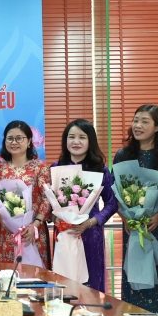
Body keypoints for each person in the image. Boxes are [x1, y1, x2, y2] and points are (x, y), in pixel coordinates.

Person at [114, 104, 158, 316]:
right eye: (135, 120)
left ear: (157, 127)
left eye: (145, 121)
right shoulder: (123, 155)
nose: (138, 125)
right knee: (135, 275)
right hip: (134, 228)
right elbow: (114, 192)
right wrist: (127, 218)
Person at [52, 120, 118, 293]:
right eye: (71, 137)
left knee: (91, 287)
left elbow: (112, 203)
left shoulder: (101, 170)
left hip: (90, 234)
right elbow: (49, 203)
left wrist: (90, 222)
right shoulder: (56, 168)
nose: (76, 141)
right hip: (64, 233)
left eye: (82, 137)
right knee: (63, 285)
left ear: (90, 141)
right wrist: (55, 218)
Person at [0, 120, 51, 267]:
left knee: (36, 275)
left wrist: (35, 225)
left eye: (19, 138)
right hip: (8, 233)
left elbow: (47, 199)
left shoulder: (40, 167)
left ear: (29, 141)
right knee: (8, 275)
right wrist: (5, 223)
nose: (14, 142)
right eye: (10, 138)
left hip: (34, 232)